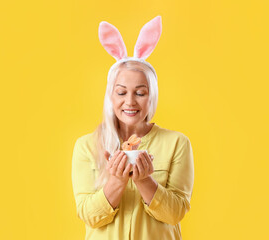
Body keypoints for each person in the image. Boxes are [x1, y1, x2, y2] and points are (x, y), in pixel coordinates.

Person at [71, 16, 194, 240]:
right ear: (110, 95)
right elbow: (88, 215)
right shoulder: (86, 146)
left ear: (151, 97)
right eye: (121, 92)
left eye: (140, 92)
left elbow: (175, 214)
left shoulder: (177, 143)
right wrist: (116, 181)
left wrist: (144, 180)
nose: (130, 101)